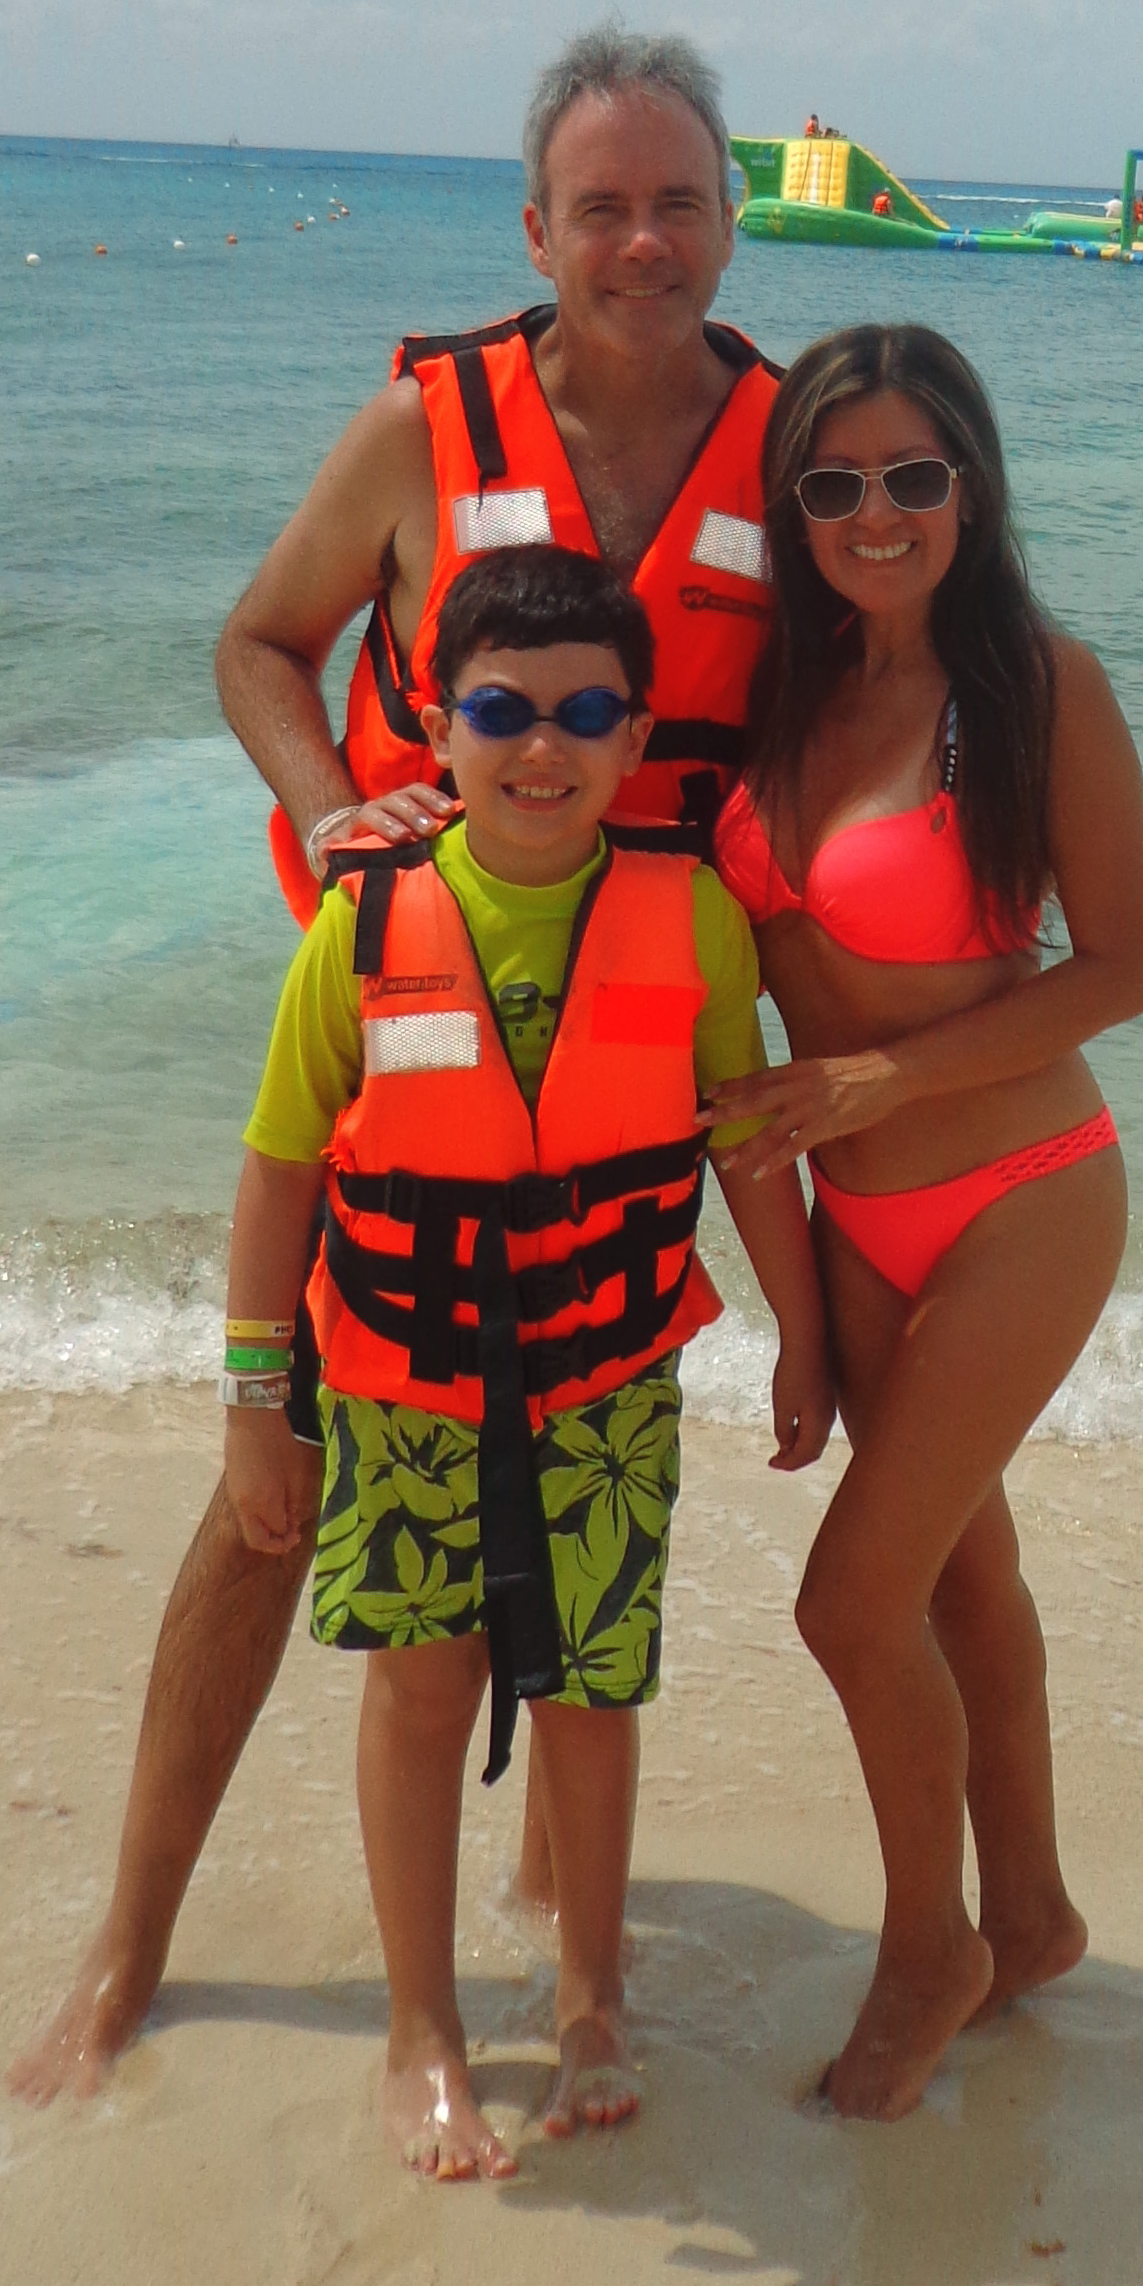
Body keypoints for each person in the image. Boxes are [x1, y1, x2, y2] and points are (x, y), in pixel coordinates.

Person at [13, 22, 779, 2102]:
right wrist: (329, 807)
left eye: (679, 201)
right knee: (272, 1504)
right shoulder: (421, 431)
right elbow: (258, 641)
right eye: (603, 206)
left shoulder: (790, 447)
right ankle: (131, 1939)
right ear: (538, 230)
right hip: (410, 1052)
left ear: (731, 221)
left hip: (633, 1064)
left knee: (584, 1496)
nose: (642, 240)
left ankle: (560, 1921)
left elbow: (878, 667)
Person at [223, 542, 831, 2175]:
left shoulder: (692, 917)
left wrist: (802, 1335)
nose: (541, 746)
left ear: (639, 737)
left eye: (582, 713)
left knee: (592, 1690)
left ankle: (591, 2001)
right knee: (421, 1690)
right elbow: (279, 1170)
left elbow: (746, 1146)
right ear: (438, 728)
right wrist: (253, 1407)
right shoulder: (362, 924)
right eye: (500, 712)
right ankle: (420, 2030)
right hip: (401, 1383)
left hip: (606, 1384)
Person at [707, 325, 1143, 2117]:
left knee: (850, 1605)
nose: (876, 514)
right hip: (854, 1229)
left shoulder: (1039, 687)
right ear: (794, 507)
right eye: (835, 483)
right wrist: (795, 1317)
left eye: (913, 475)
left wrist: (888, 1083)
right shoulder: (778, 698)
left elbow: (1125, 968)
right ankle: (1029, 1915)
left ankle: (929, 1950)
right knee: (962, 1578)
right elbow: (742, 1036)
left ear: (971, 486)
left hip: (1021, 1202)